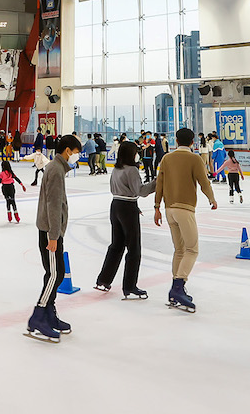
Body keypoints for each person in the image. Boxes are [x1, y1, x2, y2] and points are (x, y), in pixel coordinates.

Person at [26, 134, 82, 343]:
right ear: (67, 151)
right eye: (76, 153)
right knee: (54, 275)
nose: (77, 157)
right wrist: (53, 236)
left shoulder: (55, 168)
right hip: (51, 232)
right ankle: (38, 316)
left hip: (51, 231)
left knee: (55, 273)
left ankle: (49, 313)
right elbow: (54, 206)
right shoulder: (56, 170)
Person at [154, 128, 218, 312]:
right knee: (192, 249)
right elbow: (204, 182)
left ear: (176, 140)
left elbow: (160, 183)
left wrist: (157, 207)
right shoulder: (194, 158)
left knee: (179, 250)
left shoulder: (167, 158)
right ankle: (178, 287)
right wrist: (211, 199)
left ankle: (175, 289)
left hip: (169, 209)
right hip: (185, 209)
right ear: (192, 143)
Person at [95, 141, 156, 299]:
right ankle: (129, 286)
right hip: (127, 208)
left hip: (116, 206)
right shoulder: (132, 170)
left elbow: (118, 190)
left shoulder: (116, 168)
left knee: (116, 245)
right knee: (134, 248)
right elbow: (140, 191)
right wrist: (156, 183)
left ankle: (103, 279)